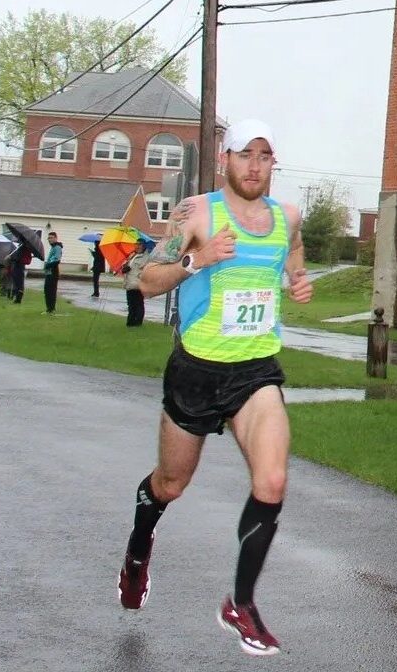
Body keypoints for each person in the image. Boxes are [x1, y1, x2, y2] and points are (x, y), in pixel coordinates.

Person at [115, 120, 314, 657]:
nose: (254, 165)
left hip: (255, 370)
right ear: (225, 159)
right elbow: (143, 279)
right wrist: (196, 260)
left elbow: (292, 251)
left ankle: (241, 604)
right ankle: (139, 548)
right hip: (197, 369)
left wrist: (296, 279)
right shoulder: (197, 214)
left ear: (275, 163)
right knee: (170, 485)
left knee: (272, 480)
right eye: (245, 154)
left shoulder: (287, 216)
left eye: (265, 155)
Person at [122, 252, 146, 326]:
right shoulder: (132, 256)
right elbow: (125, 268)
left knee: (138, 304)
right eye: (136, 244)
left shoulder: (145, 257)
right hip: (129, 283)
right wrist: (125, 267)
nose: (137, 246)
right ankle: (130, 321)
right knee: (131, 304)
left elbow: (144, 270)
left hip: (137, 284)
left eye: (140, 244)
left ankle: (137, 322)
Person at [42, 232, 63, 314]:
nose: (49, 239)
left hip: (53, 272)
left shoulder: (57, 247)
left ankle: (51, 309)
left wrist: (48, 265)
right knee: (47, 290)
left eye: (51, 238)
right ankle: (49, 308)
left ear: (55, 238)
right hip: (49, 272)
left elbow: (57, 260)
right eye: (49, 238)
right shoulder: (53, 247)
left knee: (51, 291)